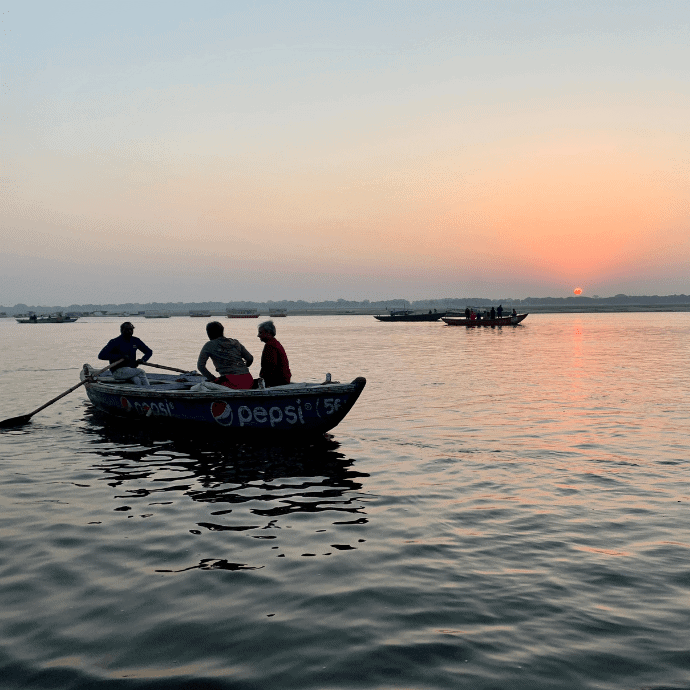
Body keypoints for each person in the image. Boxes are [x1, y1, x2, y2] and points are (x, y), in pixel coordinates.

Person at [197, 321, 254, 389]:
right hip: (248, 380)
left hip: (232, 383)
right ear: (222, 331)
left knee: (197, 387)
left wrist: (213, 379)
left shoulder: (209, 345)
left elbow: (200, 366)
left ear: (209, 333)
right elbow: (250, 358)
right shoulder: (235, 343)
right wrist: (243, 368)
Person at [98, 322, 152, 386]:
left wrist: (143, 360)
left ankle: (142, 394)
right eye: (127, 329)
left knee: (137, 380)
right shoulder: (114, 342)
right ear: (121, 330)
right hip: (118, 371)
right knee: (141, 372)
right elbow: (101, 355)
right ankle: (149, 389)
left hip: (131, 371)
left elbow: (149, 352)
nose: (129, 331)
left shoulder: (135, 340)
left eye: (131, 329)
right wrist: (120, 357)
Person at [257, 320, 291, 387]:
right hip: (282, 380)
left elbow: (270, 368)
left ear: (268, 332)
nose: (258, 335)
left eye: (260, 333)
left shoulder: (270, 345)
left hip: (278, 381)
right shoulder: (275, 343)